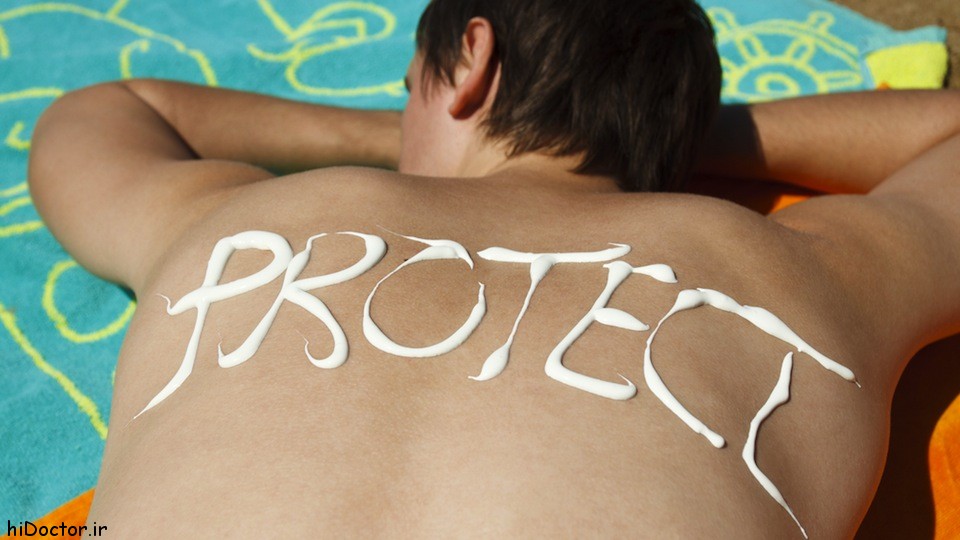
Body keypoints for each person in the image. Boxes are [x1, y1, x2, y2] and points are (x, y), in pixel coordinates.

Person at [27, 0, 960, 536]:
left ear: (471, 57)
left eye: (405, 92)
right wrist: (661, 133)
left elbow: (108, 108)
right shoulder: (793, 275)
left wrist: (391, 143)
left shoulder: (239, 223)